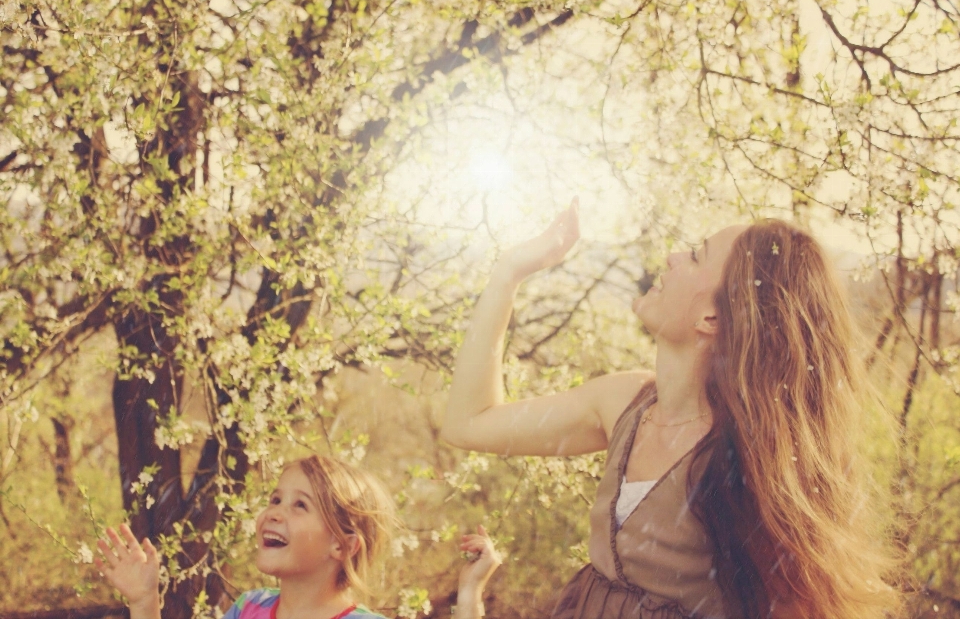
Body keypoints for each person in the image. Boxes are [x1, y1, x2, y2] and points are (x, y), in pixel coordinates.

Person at [441, 199, 902, 618]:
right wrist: (509, 273)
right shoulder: (623, 402)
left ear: (713, 318)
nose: (671, 257)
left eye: (697, 255)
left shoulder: (754, 463)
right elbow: (469, 423)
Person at [95, 454, 501, 619]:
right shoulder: (248, 608)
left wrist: (469, 596)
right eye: (275, 499)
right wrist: (145, 601)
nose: (273, 512)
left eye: (299, 505)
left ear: (341, 545)